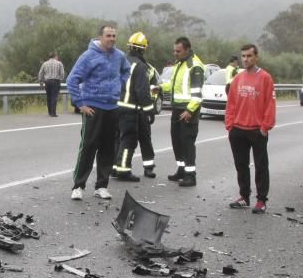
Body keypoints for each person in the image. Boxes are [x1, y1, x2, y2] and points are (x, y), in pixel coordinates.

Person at [66, 24, 131, 200]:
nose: (112, 39)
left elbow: (126, 71)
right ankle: (78, 186)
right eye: (108, 35)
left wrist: (120, 84)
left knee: (108, 149)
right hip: (93, 108)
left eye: (114, 36)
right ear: (100, 37)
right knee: (88, 147)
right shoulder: (88, 56)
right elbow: (72, 80)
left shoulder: (119, 56)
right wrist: (81, 104)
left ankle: (102, 186)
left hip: (112, 108)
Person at [225, 43, 276, 214]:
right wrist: (230, 125)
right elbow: (231, 103)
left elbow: (270, 103)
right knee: (241, 165)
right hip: (238, 129)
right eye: (243, 56)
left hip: (257, 130)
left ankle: (261, 200)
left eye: (249, 56)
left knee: (261, 166)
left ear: (256, 57)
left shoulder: (265, 78)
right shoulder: (238, 79)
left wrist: (265, 126)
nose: (246, 59)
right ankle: (244, 197)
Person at [113, 32, 158, 181]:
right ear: (143, 49)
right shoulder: (140, 66)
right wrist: (149, 110)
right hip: (131, 109)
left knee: (118, 139)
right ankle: (123, 170)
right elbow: (142, 91)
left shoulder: (120, 61)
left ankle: (115, 167)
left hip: (116, 107)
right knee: (129, 140)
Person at [160, 37, 205, 187]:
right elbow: (173, 86)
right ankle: (181, 169)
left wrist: (190, 110)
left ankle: (190, 175)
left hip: (188, 110)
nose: (175, 53)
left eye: (178, 51)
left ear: (187, 49)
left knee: (187, 143)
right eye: (174, 50)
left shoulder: (194, 66)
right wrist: (160, 88)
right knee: (177, 142)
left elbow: (197, 94)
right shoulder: (180, 64)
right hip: (177, 108)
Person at [37, 52, 65, 117]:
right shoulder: (59, 63)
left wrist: (40, 81)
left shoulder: (45, 63)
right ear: (55, 56)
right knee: (54, 97)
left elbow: (40, 73)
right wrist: (60, 80)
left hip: (47, 82)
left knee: (49, 97)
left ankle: (49, 112)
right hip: (55, 81)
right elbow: (62, 73)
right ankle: (53, 113)